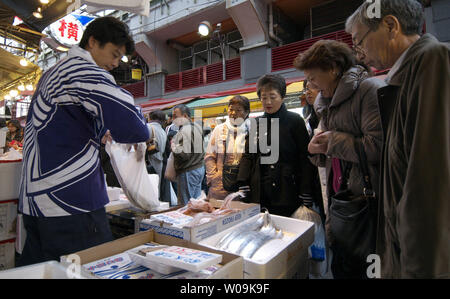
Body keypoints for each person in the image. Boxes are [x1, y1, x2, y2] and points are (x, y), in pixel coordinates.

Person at [17, 17, 150, 266]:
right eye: (114, 54)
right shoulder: (83, 70)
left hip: (35, 204)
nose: (114, 63)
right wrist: (146, 130)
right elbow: (134, 127)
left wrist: (100, 133)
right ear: (92, 42)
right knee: (90, 269)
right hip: (69, 202)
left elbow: (61, 124)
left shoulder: (53, 73)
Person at [346, 0, 449, 279]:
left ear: (391, 26)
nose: (360, 52)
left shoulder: (433, 62)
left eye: (360, 40)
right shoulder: (401, 79)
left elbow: (430, 186)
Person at [294, 39, 385, 278]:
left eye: (313, 78)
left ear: (334, 68)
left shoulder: (368, 90)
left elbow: (377, 146)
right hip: (339, 200)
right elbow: (333, 155)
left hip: (367, 202)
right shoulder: (326, 103)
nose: (310, 84)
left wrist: (331, 141)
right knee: (341, 265)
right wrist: (316, 151)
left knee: (365, 268)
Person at [237, 74, 323, 218]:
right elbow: (248, 156)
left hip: (288, 190)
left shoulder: (294, 121)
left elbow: (305, 157)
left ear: (282, 97)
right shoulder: (257, 123)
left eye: (272, 96)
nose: (268, 102)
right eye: (264, 97)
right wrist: (242, 180)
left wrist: (306, 189)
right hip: (260, 192)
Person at [205, 96, 251, 201]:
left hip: (242, 183)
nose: (233, 113)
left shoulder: (251, 130)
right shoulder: (219, 129)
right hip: (219, 185)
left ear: (246, 112)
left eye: (238, 110)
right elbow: (209, 156)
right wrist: (213, 177)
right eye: (231, 109)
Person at [171, 104, 205, 205]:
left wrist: (173, 146)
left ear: (185, 116)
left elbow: (184, 154)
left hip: (188, 170)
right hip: (198, 168)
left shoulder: (185, 130)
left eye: (175, 116)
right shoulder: (196, 127)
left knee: (185, 205)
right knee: (195, 204)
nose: (173, 119)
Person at [146, 109, 168, 202]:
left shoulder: (148, 127)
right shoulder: (163, 131)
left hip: (149, 162)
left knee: (147, 188)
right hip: (159, 163)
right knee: (156, 188)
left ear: (151, 118)